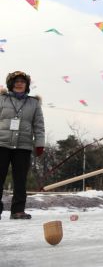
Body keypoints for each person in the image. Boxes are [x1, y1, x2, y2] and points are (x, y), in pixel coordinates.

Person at [0, 71, 45, 220]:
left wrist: (40, 144)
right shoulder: (2, 99)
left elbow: (39, 125)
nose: (19, 83)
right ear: (11, 84)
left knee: (20, 180)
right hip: (2, 143)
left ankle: (18, 210)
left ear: (26, 85)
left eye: (22, 81)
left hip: (23, 146)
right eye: (16, 81)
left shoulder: (34, 103)